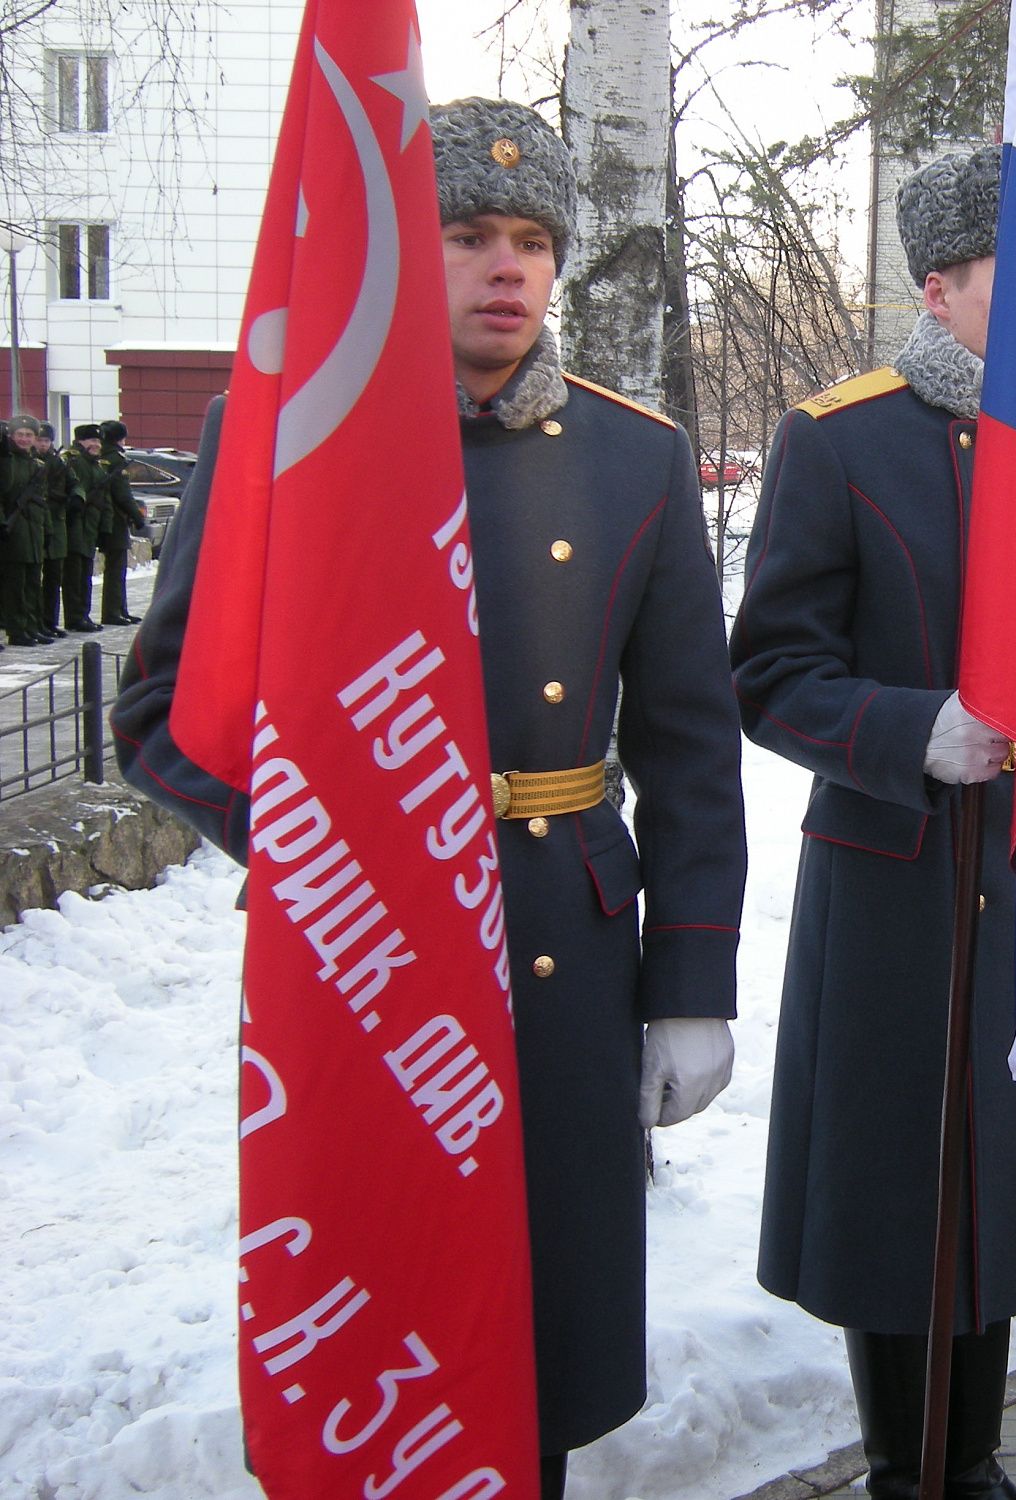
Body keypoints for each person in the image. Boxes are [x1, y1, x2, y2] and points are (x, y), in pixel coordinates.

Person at [112, 98, 748, 1500]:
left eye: (532, 239)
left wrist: (692, 983)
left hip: (563, 959)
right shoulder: (290, 433)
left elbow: (693, 749)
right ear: (408, 249)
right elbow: (164, 715)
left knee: (541, 1326)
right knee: (377, 1309)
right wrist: (332, 861)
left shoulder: (636, 457)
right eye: (468, 235)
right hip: (361, 970)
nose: (507, 266)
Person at [730, 147, 1016, 1500]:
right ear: (939, 289)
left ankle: (972, 1453)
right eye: (1011, 287)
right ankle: (906, 1462)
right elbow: (772, 672)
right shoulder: (839, 438)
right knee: (902, 1176)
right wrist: (912, 729)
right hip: (895, 875)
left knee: (1001, 1169)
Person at [2, 414, 52, 646]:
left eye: (28, 435)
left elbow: (42, 500)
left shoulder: (36, 464)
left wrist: (47, 529)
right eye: (19, 435)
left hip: (33, 529)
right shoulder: (7, 461)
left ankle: (32, 626)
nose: (24, 439)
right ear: (11, 436)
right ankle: (17, 629)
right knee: (15, 584)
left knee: (33, 581)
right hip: (14, 530)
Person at [95, 419, 147, 626]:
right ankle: (113, 611)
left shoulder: (101, 456)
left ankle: (119, 609)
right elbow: (122, 493)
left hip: (106, 516)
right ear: (120, 438)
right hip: (115, 518)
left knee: (116, 566)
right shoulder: (115, 459)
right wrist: (137, 516)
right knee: (116, 567)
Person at [61, 424, 106, 633]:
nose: (95, 444)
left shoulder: (95, 464)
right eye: (91, 441)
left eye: (97, 441)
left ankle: (83, 614)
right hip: (76, 523)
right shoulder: (76, 461)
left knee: (84, 573)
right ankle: (75, 616)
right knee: (75, 573)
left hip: (89, 526)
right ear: (80, 441)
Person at [36, 423, 73, 637]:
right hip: (37, 523)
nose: (43, 444)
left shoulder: (60, 462)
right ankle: (35, 623)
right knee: (33, 580)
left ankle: (50, 621)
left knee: (53, 577)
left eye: (46, 441)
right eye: (40, 440)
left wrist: (75, 496)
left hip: (56, 523)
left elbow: (73, 484)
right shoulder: (33, 462)